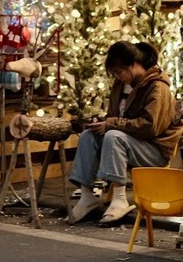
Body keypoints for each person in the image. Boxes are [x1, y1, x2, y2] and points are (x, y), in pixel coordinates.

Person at [67, 41, 177, 225]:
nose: (118, 77)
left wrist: (112, 124)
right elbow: (114, 116)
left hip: (154, 149)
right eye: (114, 74)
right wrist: (101, 123)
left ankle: (120, 198)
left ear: (134, 64)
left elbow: (150, 127)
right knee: (88, 136)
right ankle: (87, 195)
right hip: (127, 142)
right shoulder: (120, 85)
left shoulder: (157, 87)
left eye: (119, 72)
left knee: (113, 136)